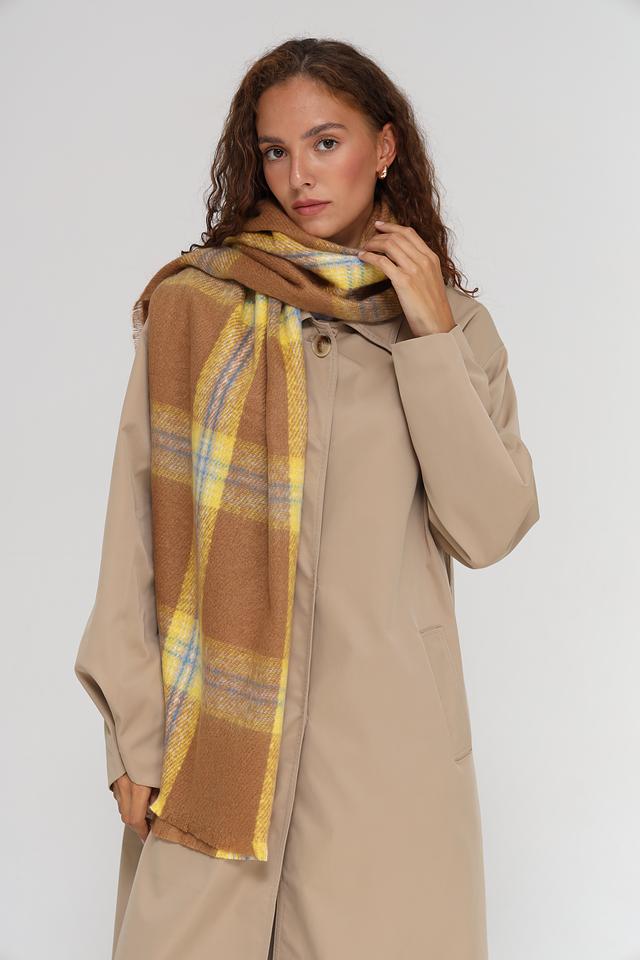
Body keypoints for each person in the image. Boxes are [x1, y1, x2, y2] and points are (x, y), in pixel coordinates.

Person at [74, 36, 540, 960]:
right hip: (215, 750)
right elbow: (133, 536)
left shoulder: (454, 326)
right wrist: (134, 738)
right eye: (277, 150)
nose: (300, 176)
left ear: (384, 147)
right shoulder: (195, 308)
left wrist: (429, 341)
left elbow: (488, 528)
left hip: (386, 761)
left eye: (327, 143)